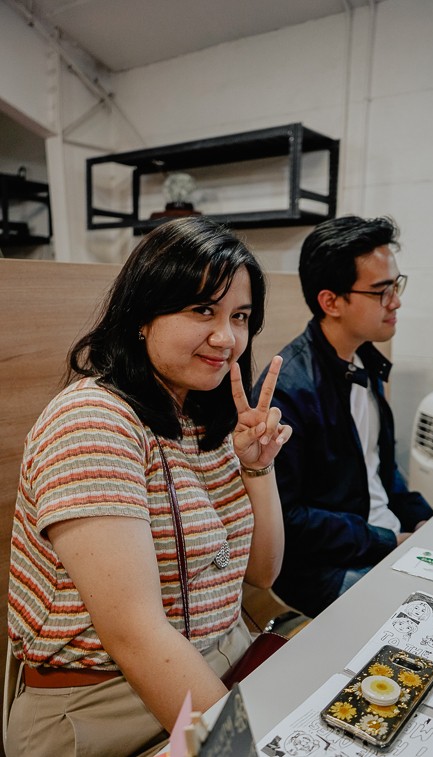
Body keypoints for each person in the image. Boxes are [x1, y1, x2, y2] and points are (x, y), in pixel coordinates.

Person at [7, 216, 291, 757]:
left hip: (221, 660)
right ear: (143, 315)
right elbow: (135, 636)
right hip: (107, 705)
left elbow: (261, 574)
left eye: (240, 316)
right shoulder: (92, 422)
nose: (226, 338)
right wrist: (233, 749)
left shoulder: (201, 416)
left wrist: (258, 467)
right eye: (202, 310)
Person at [253, 215, 433, 618]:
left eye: (397, 286)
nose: (396, 302)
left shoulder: (366, 359)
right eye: (381, 291)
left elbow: (380, 469)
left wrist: (425, 522)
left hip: (383, 539)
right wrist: (388, 540)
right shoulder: (289, 390)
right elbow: (288, 519)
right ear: (331, 302)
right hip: (326, 568)